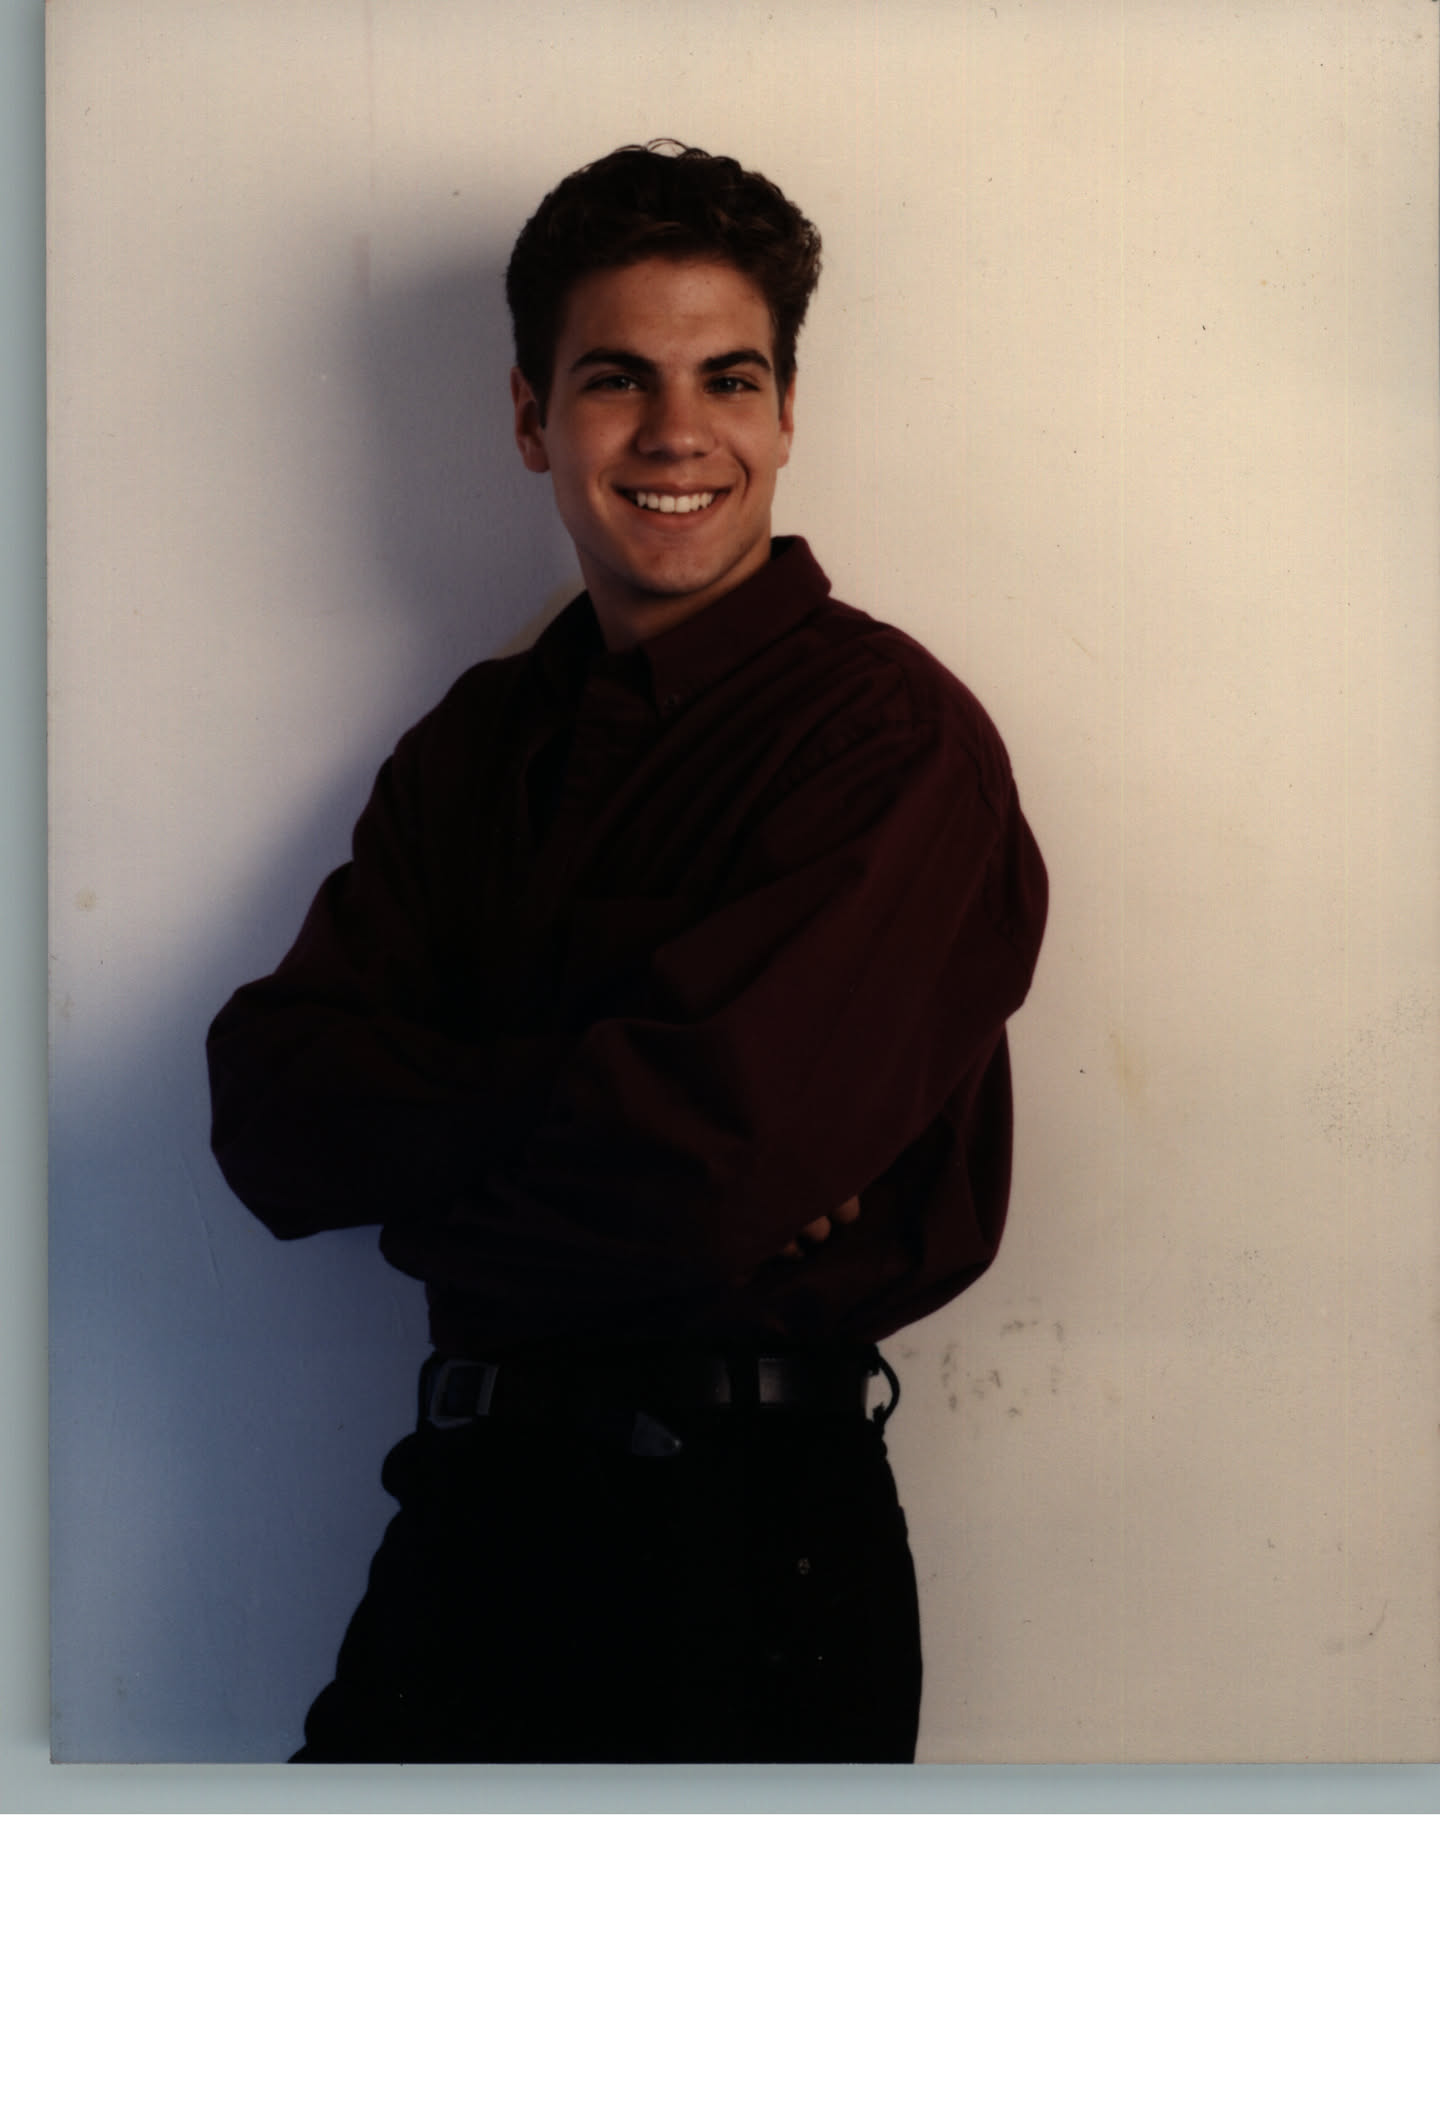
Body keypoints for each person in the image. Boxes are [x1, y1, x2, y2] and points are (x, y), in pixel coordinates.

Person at [206, 141, 1048, 1764]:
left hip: (747, 1552)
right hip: (461, 1523)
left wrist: (438, 1151)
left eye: (729, 377)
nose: (676, 432)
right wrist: (603, 1098)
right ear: (533, 416)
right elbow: (272, 1113)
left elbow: (702, 1171)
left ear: (787, 415)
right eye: (617, 379)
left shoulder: (889, 741)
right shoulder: (472, 747)